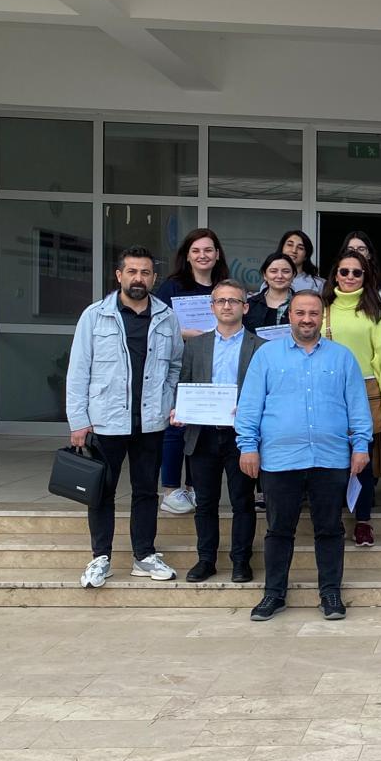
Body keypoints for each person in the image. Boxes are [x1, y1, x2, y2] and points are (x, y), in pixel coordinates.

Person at [236, 290, 372, 621]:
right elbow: (250, 404)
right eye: (300, 313)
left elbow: (357, 404)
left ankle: (330, 593)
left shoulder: (342, 357)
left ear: (321, 317)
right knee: (279, 529)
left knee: (329, 528)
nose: (307, 319)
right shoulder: (267, 356)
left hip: (330, 458)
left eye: (313, 313)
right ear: (290, 315)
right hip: (281, 459)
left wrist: (361, 446)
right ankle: (274, 594)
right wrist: (247, 446)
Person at [65, 246, 183, 589]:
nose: (138, 278)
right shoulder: (94, 316)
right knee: (101, 492)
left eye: (145, 273)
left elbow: (174, 366)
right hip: (105, 420)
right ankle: (100, 557)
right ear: (119, 276)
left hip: (150, 422)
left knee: (146, 491)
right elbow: (78, 372)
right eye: (132, 272)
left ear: (154, 278)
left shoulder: (166, 317)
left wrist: (168, 401)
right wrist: (78, 422)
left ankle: (144, 556)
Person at [171, 278, 264, 584]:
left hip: (242, 436)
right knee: (205, 503)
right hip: (203, 434)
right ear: (212, 307)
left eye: (233, 301)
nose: (227, 306)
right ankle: (206, 560)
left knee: (242, 501)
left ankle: (241, 561)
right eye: (221, 301)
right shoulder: (196, 345)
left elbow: (268, 392)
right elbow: (183, 383)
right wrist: (179, 409)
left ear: (245, 307)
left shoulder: (261, 348)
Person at [321, 249, 381, 547]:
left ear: (366, 277)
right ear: (335, 275)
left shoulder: (374, 311)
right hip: (326, 393)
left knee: (361, 460)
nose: (350, 277)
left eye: (357, 272)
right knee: (329, 461)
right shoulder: (322, 308)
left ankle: (363, 521)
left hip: (364, 394)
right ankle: (331, 518)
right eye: (344, 271)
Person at [153, 228, 229, 517]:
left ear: (217, 254)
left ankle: (194, 486)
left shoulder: (224, 287)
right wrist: (185, 333)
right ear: (187, 255)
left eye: (208, 250)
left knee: (203, 427)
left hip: (213, 366)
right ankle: (171, 490)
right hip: (180, 364)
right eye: (196, 251)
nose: (202, 255)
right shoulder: (172, 287)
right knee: (177, 426)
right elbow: (157, 325)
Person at [245, 252, 296, 331]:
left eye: (285, 271)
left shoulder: (303, 304)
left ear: (293, 275)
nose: (279, 276)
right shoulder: (250, 305)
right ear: (265, 275)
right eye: (273, 271)